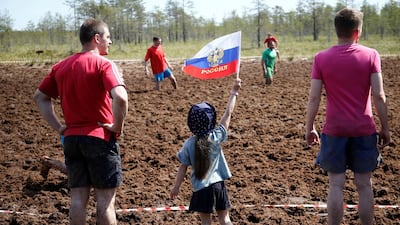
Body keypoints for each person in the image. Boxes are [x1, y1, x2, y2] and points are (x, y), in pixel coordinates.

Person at [33, 18, 128, 225]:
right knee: (105, 202)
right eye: (108, 37)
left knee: (77, 200)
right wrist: (117, 127)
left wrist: (59, 127)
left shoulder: (61, 66)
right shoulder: (104, 64)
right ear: (97, 39)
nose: (110, 42)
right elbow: (121, 97)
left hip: (72, 141)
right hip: (99, 138)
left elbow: (39, 97)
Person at [305, 8, 390, 225]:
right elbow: (379, 95)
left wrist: (309, 127)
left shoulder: (321, 58)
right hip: (364, 128)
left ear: (336, 30)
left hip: (334, 130)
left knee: (335, 184)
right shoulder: (371, 55)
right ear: (357, 31)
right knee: (364, 184)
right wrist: (385, 128)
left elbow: (313, 98)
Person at [170, 78, 241, 225]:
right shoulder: (216, 136)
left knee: (206, 222)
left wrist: (176, 187)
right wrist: (233, 92)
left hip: (201, 189)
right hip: (218, 185)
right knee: (225, 219)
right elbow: (228, 113)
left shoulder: (189, 144)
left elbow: (182, 167)